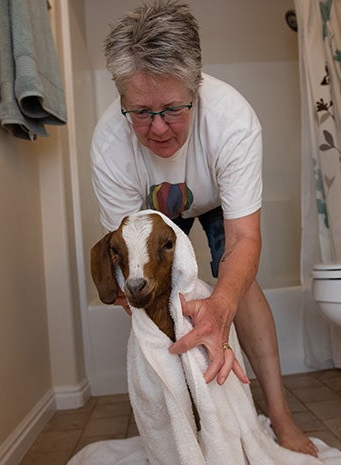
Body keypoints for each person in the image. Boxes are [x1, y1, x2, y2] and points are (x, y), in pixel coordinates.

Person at [90, 0, 319, 458]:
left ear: (196, 88)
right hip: (151, 216)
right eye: (139, 112)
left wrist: (220, 307)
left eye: (173, 109)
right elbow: (128, 264)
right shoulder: (109, 145)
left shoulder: (232, 120)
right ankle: (182, 406)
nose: (157, 129)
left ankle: (279, 413)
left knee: (237, 280)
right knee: (148, 292)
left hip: (215, 201)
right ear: (121, 100)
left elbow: (243, 241)